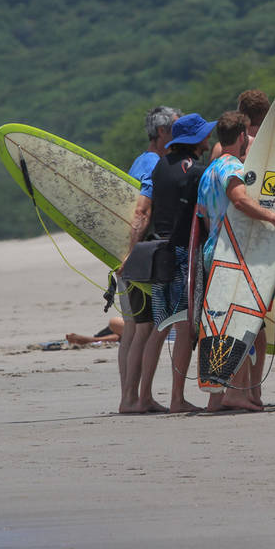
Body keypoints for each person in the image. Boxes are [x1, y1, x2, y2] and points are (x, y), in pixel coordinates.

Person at [197, 111, 275, 412]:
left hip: (214, 250)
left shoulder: (209, 169)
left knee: (220, 322)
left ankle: (217, 396)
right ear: (242, 137)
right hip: (232, 255)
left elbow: (202, 216)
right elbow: (240, 199)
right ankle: (237, 392)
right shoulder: (231, 166)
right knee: (241, 320)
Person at [122, 113, 216, 414]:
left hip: (159, 250)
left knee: (160, 327)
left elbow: (146, 210)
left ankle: (144, 396)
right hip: (183, 252)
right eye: (204, 134)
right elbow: (205, 215)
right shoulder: (196, 171)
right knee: (187, 327)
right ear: (194, 141)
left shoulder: (160, 166)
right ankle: (177, 398)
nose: (208, 138)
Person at [116, 106, 178, 412]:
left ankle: (130, 397)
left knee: (132, 328)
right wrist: (131, 255)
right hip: (139, 256)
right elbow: (141, 211)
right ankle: (135, 398)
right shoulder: (154, 163)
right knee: (143, 328)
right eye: (176, 128)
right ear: (164, 132)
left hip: (127, 255)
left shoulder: (140, 159)